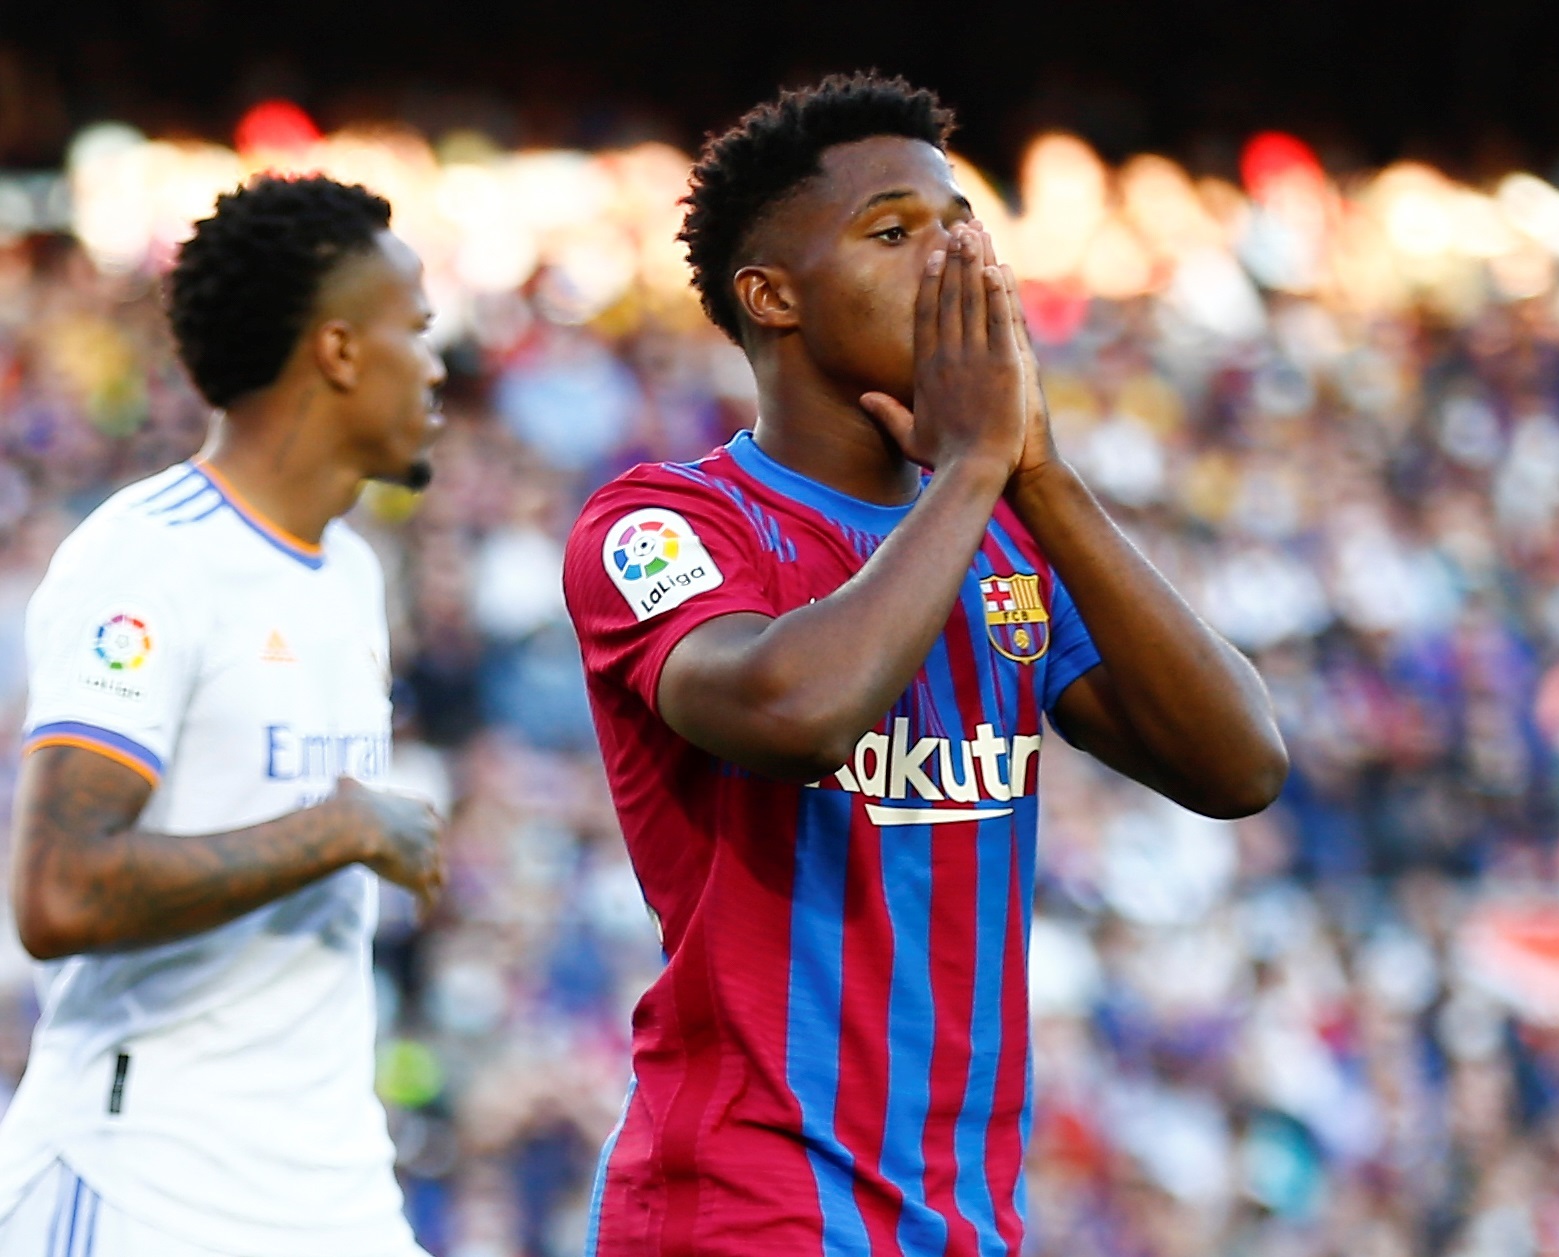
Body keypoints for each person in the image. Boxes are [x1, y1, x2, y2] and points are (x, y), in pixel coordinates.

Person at [563, 73, 1289, 1256]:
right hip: (744, 1209)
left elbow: (1239, 764)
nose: (952, 261)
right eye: (894, 232)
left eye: (965, 229)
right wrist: (970, 470)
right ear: (771, 297)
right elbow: (794, 712)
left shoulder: (1009, 535)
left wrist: (1037, 475)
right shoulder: (663, 524)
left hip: (960, 1219)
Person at [0, 174, 446, 1257]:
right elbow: (59, 892)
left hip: (330, 1188)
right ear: (340, 351)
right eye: (418, 332)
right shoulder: (148, 557)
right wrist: (339, 828)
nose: (438, 367)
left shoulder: (348, 569)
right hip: (146, 1181)